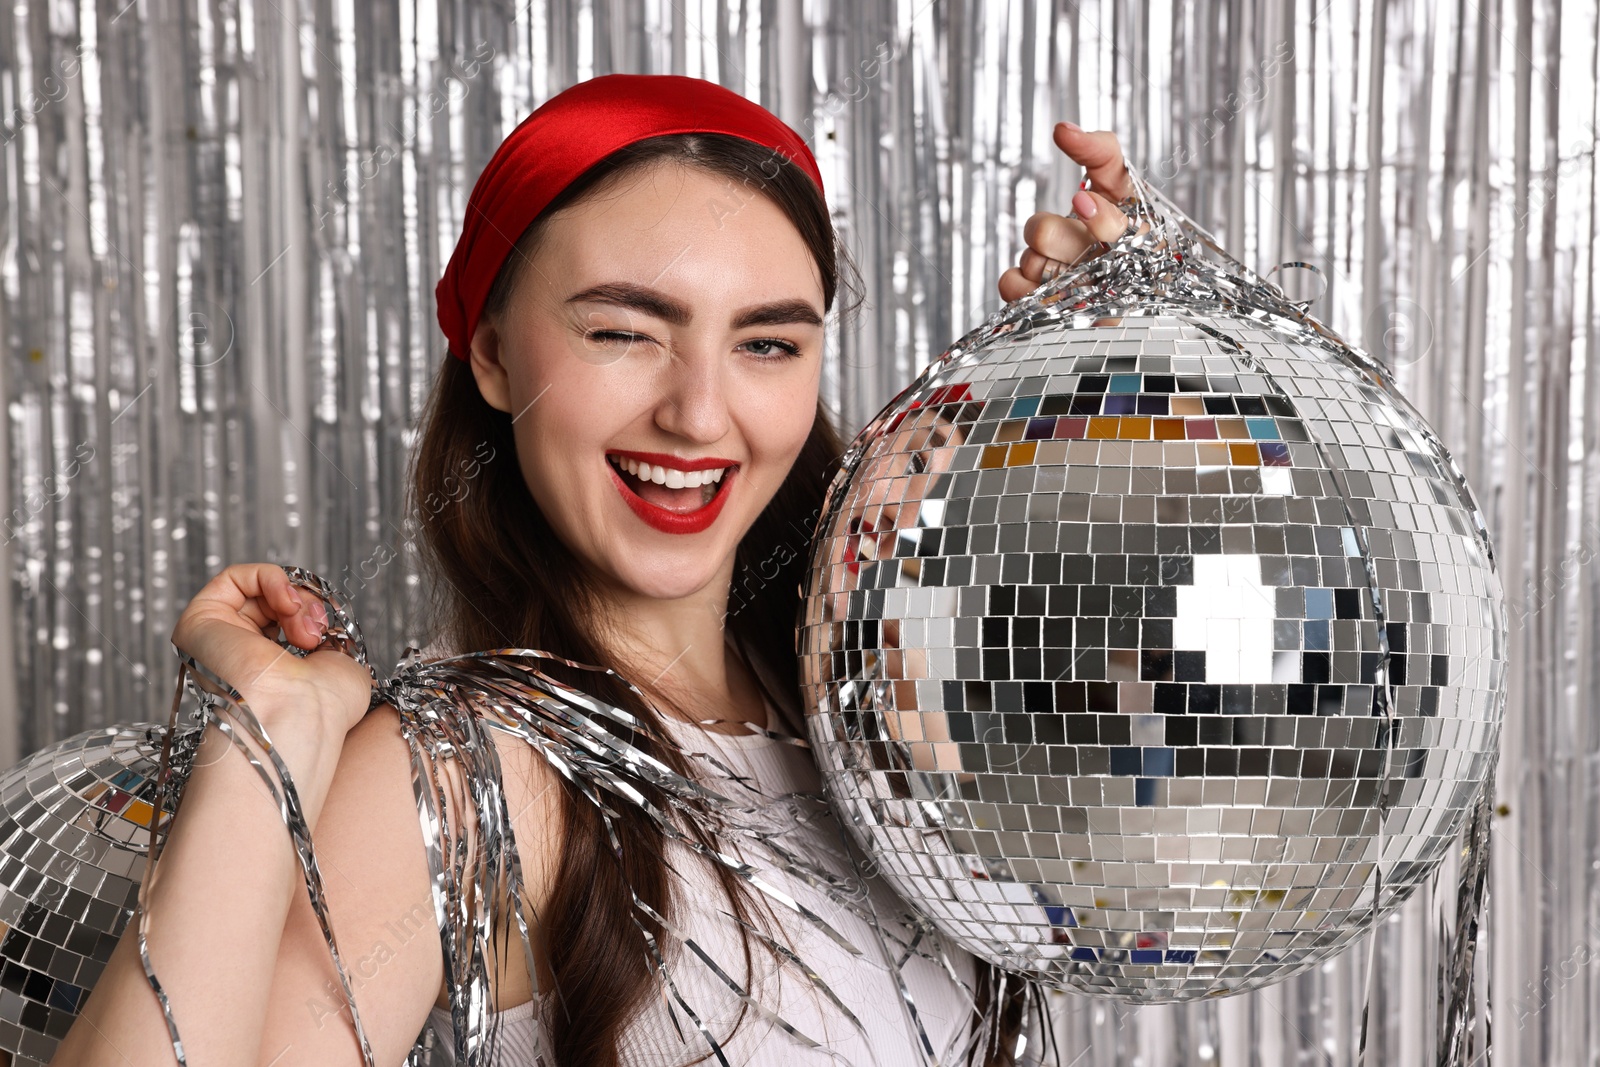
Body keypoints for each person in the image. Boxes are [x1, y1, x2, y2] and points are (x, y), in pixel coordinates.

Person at [51, 75, 1135, 1067]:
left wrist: (1095, 376)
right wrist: (270, 738)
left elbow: (1180, 801)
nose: (698, 413)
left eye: (766, 344)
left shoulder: (873, 703)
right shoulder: (466, 772)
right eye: (623, 330)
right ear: (490, 350)